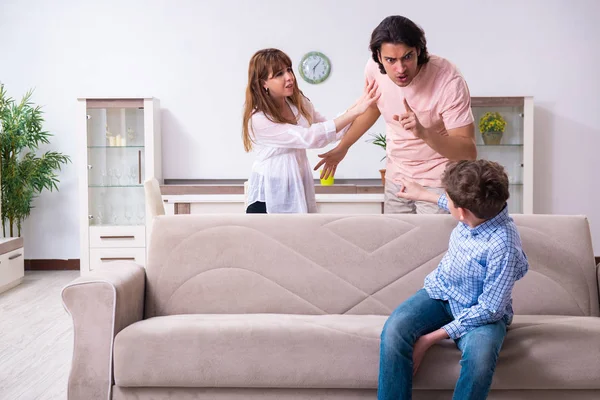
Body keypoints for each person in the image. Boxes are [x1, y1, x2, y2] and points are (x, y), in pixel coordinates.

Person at [377, 160, 529, 400]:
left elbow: (491, 308)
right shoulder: (479, 212)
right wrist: (423, 194)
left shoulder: (504, 244)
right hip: (441, 294)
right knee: (394, 329)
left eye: (448, 199)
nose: (446, 201)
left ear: (461, 212)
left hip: (481, 314)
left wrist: (430, 338)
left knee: (480, 358)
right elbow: (456, 204)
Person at [314, 15, 477, 214]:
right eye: (390, 60)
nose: (400, 69)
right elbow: (373, 108)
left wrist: (423, 132)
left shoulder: (448, 79)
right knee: (398, 243)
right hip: (396, 179)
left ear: (418, 50)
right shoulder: (374, 69)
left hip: (438, 182)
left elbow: (467, 151)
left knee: (433, 244)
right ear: (379, 57)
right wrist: (343, 147)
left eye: (407, 57)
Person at [242, 48, 379, 213]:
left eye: (289, 70)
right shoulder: (258, 119)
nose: (289, 77)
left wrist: (361, 102)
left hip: (297, 188)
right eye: (279, 74)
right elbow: (311, 137)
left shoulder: (299, 104)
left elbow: (332, 131)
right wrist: (355, 111)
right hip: (268, 196)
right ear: (263, 83)